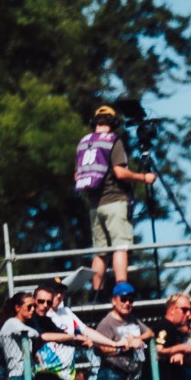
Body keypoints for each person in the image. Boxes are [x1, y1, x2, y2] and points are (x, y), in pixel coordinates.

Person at [76, 104, 157, 297]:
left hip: (95, 205)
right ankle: (122, 291)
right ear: (114, 123)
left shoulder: (84, 143)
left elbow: (77, 176)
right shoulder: (113, 140)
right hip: (115, 201)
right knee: (120, 247)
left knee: (100, 253)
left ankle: (96, 294)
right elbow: (120, 172)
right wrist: (143, 177)